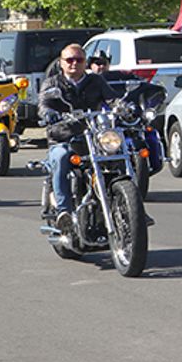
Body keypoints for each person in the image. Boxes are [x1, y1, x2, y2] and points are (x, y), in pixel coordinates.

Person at [39, 44, 120, 235]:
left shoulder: (96, 81)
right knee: (60, 157)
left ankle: (131, 206)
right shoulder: (52, 83)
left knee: (120, 152)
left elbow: (112, 99)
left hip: (92, 137)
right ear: (61, 63)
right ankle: (63, 211)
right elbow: (43, 105)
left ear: (85, 62)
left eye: (79, 60)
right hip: (63, 138)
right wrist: (48, 113)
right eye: (69, 60)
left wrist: (123, 106)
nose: (74, 63)